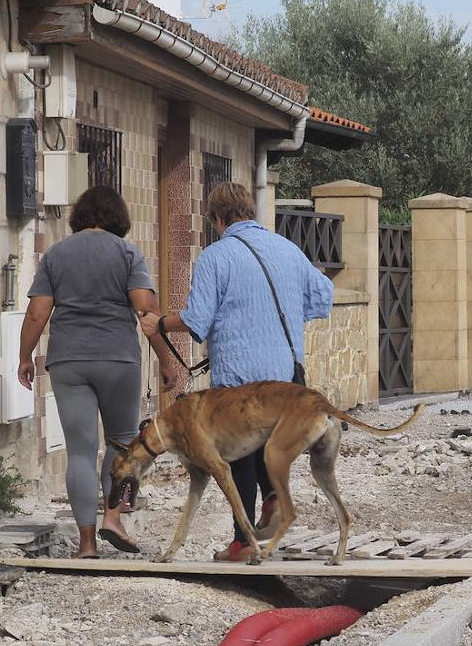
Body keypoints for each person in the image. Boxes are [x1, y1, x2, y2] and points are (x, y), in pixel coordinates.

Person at [140, 182, 334, 562]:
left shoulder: (216, 256)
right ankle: (275, 498)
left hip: (239, 374)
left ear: (217, 218)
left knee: (239, 457)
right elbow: (323, 296)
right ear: (250, 210)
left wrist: (160, 324)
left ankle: (242, 544)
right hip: (287, 373)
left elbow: (197, 320)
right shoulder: (288, 250)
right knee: (270, 442)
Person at [19, 186, 179, 559]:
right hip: (117, 359)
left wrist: (25, 356)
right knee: (122, 441)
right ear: (117, 217)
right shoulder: (127, 253)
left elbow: (37, 313)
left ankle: (86, 544)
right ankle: (112, 517)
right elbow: (146, 312)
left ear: (79, 216)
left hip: (68, 361)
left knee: (79, 451)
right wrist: (167, 362)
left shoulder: (56, 254)